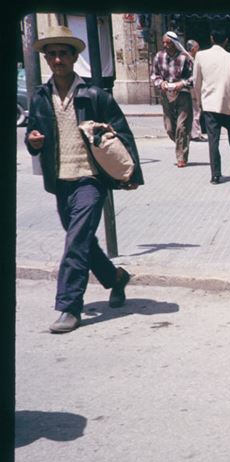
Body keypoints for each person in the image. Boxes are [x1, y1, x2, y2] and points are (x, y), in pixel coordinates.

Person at [24, 25, 144, 333]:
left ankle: (69, 306)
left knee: (75, 241)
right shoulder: (40, 97)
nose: (58, 59)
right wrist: (33, 141)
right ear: (46, 59)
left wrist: (132, 175)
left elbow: (123, 133)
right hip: (60, 180)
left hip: (91, 179)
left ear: (76, 57)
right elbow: (32, 137)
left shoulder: (94, 94)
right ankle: (116, 278)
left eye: (64, 53)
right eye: (52, 54)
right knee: (83, 241)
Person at [192, 28, 230, 185]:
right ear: (226, 41)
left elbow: (196, 82)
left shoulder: (200, 56)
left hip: (210, 105)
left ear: (212, 38)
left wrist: (199, 102)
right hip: (229, 105)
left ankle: (216, 174)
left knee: (213, 140)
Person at [150, 31, 194, 168]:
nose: (165, 45)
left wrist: (182, 83)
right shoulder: (159, 56)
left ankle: (181, 157)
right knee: (170, 128)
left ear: (175, 43)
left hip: (182, 93)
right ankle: (182, 143)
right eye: (164, 43)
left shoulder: (185, 58)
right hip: (166, 94)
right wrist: (160, 83)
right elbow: (154, 75)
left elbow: (193, 77)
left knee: (182, 127)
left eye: (168, 43)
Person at [186, 39, 206, 142]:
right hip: (191, 88)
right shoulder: (190, 60)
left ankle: (191, 133)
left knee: (191, 112)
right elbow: (192, 76)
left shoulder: (187, 58)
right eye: (198, 48)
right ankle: (196, 134)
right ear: (193, 49)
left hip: (188, 88)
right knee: (196, 111)